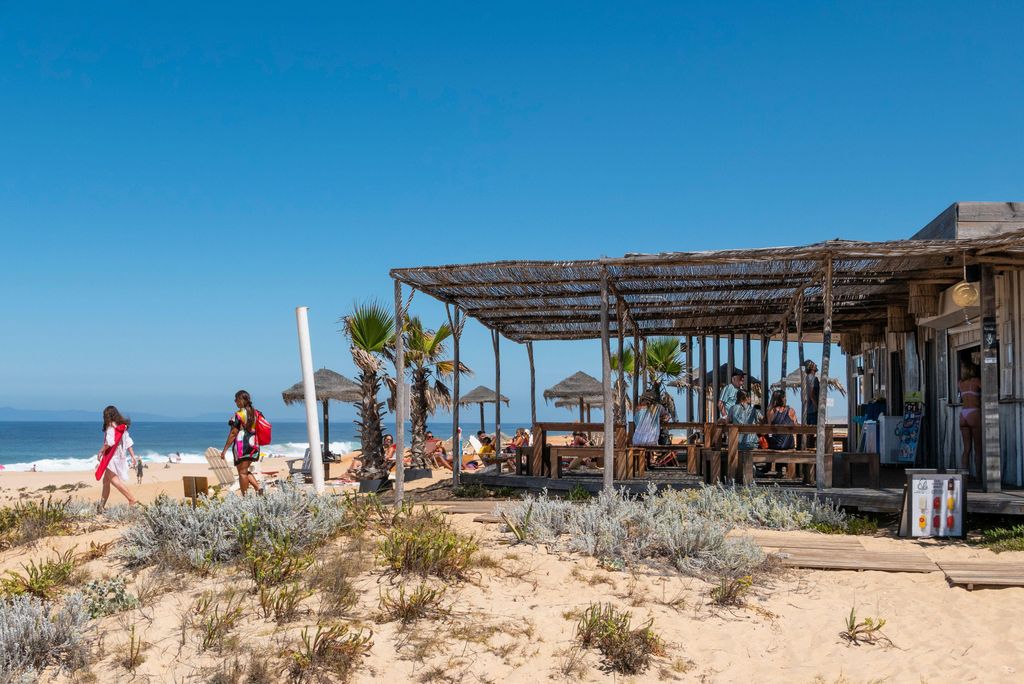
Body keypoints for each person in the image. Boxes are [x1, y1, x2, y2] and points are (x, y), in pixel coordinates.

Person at [221, 390, 264, 495]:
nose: (235, 401)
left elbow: (233, 433)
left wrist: (225, 450)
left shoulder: (238, 415)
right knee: (244, 470)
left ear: (241, 400)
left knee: (242, 473)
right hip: (254, 445)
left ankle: (245, 498)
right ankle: (258, 489)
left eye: (236, 399)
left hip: (242, 446)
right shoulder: (257, 413)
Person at [96, 405, 139, 508]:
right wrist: (133, 456)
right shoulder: (121, 426)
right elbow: (128, 442)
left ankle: (131, 499)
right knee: (106, 481)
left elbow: (109, 442)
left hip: (111, 457)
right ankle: (101, 507)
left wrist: (101, 451)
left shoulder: (110, 426)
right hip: (120, 457)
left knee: (114, 480)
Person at [959, 361, 982, 477]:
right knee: (978, 448)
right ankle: (978, 476)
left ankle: (964, 476)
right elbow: (988, 389)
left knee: (966, 448)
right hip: (974, 412)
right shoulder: (976, 381)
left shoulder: (960, 383)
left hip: (963, 414)